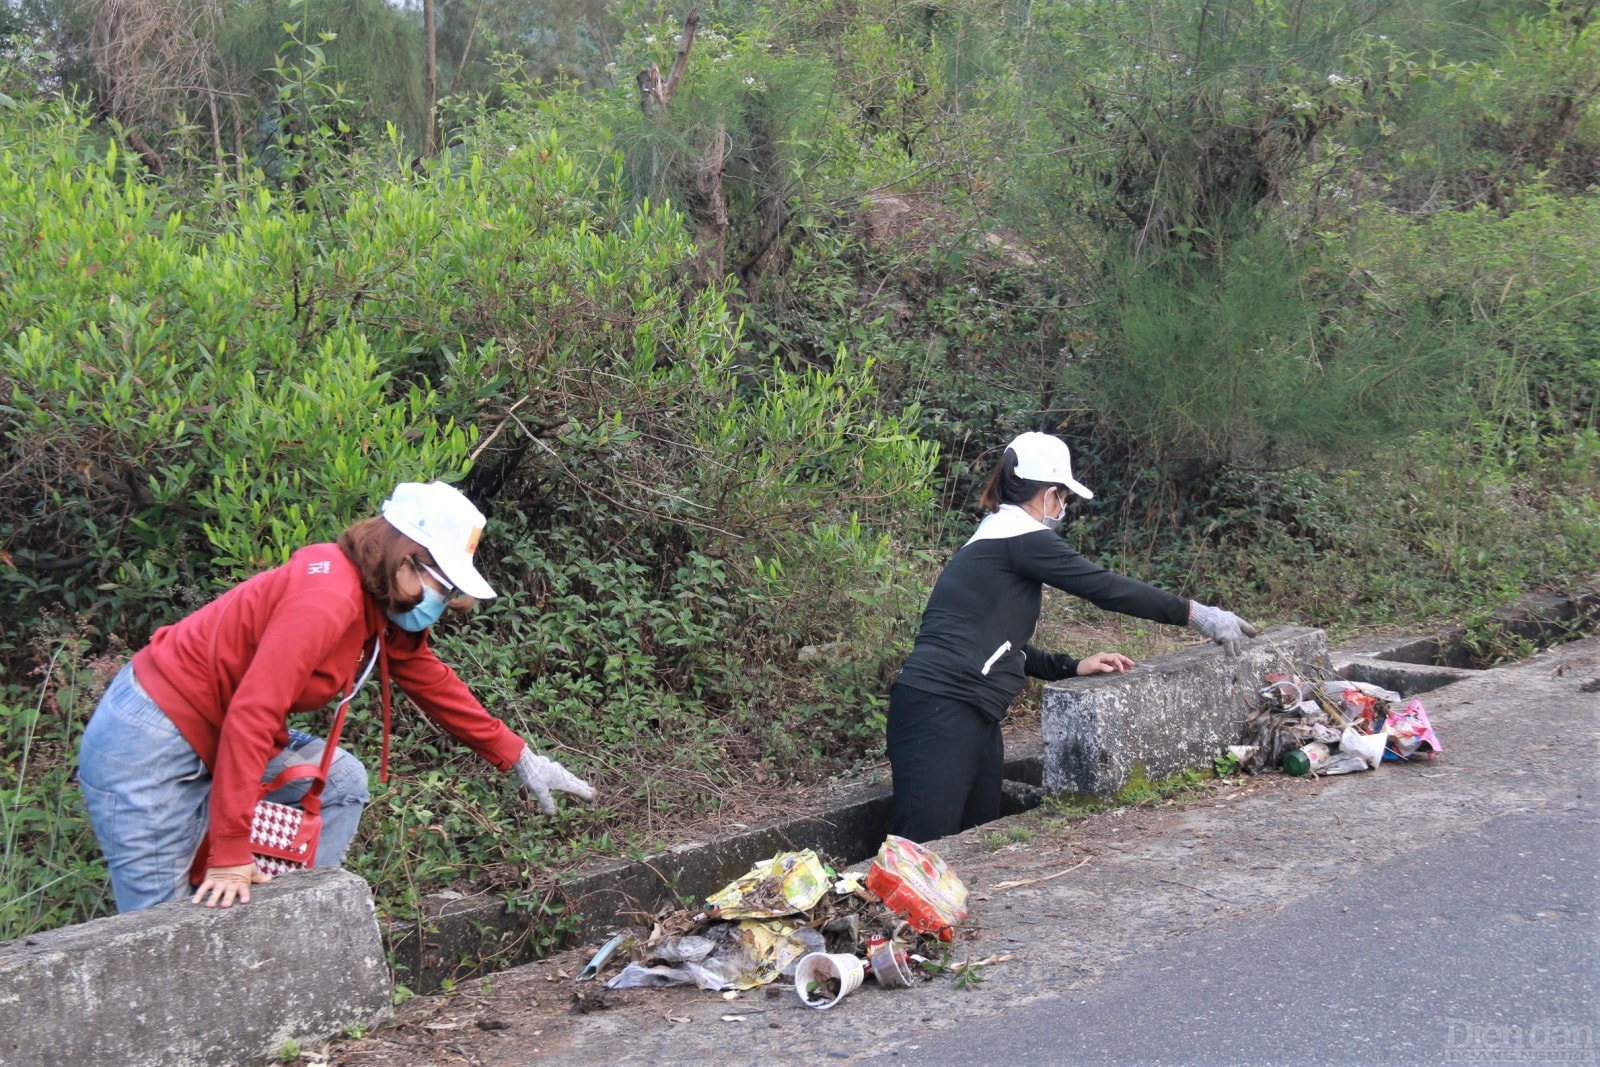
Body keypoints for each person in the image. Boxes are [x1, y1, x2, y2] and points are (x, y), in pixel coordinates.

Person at [77, 480, 597, 912]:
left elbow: (430, 680)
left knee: (341, 781)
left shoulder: (379, 606)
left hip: (216, 728)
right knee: (159, 927)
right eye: (442, 585)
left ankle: (282, 924)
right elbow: (253, 712)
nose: (446, 601)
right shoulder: (328, 597)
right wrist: (231, 849)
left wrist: (521, 757)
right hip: (150, 739)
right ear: (405, 559)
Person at [888, 432, 1258, 843]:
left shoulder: (997, 540)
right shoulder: (1018, 538)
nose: (1063, 507)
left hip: (971, 710)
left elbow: (1000, 645)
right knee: (922, 846)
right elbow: (1105, 588)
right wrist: (1197, 615)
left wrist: (1071, 666)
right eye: (1064, 497)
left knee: (975, 840)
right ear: (1050, 494)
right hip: (939, 709)